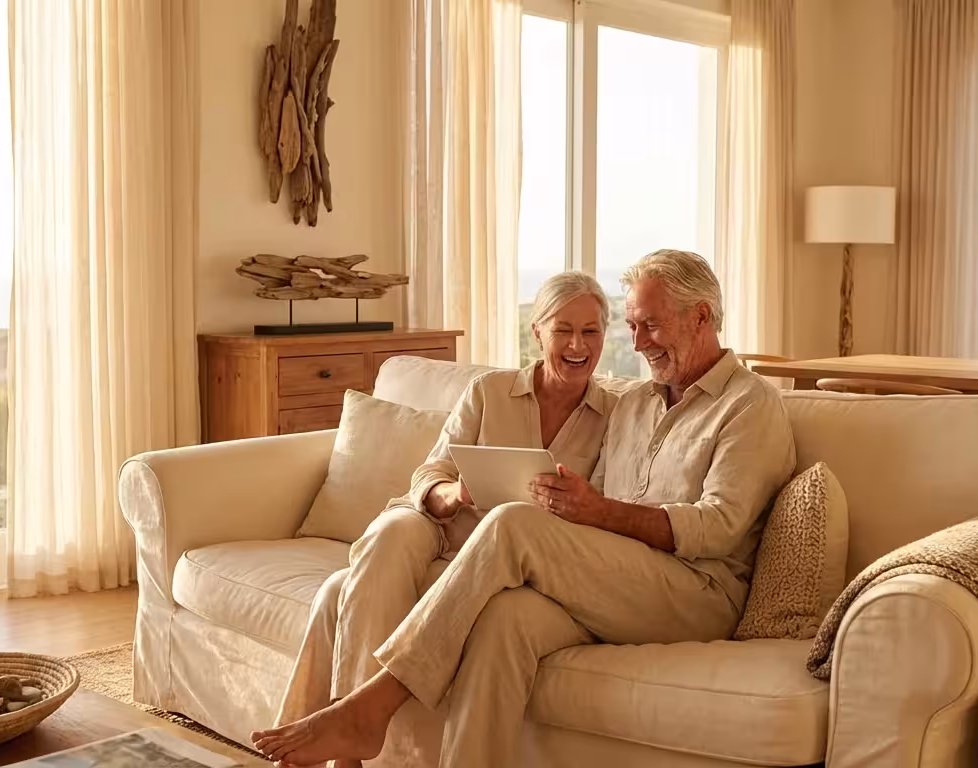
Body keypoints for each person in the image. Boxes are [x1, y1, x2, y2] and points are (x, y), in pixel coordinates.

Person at [253, 249, 796, 768]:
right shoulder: (634, 402)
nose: (637, 342)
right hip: (618, 578)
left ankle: (374, 705)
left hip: (697, 592)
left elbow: (719, 528)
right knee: (504, 619)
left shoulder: (750, 405)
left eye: (648, 325)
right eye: (630, 326)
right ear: (538, 332)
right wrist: (576, 509)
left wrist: (595, 512)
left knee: (512, 522)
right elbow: (597, 501)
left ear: (700, 316)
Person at [271, 271, 618, 764]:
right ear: (537, 332)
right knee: (391, 533)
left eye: (591, 331)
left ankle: (346, 747)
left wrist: (577, 504)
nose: (578, 344)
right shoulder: (489, 392)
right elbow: (430, 470)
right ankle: (351, 737)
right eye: (563, 329)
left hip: (509, 564)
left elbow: (607, 514)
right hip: (440, 531)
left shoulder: (616, 415)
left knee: (337, 591)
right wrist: (449, 493)